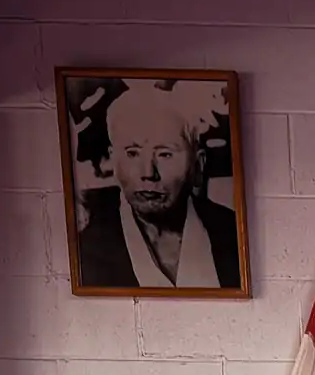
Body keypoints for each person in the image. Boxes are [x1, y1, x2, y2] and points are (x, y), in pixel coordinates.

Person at [74, 81, 242, 291]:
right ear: (113, 161)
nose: (148, 173)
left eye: (165, 154)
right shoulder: (87, 250)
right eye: (132, 153)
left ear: (198, 165)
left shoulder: (234, 234)